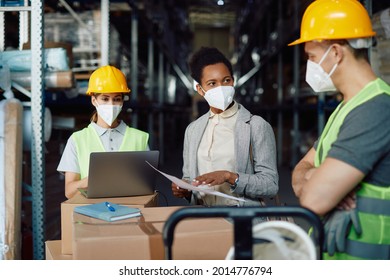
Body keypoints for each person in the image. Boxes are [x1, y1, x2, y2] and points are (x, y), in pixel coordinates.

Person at [289, 0, 390, 260]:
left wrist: (317, 183)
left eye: (311, 57)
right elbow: (300, 170)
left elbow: (314, 200)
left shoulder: (376, 109)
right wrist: (314, 177)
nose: (309, 67)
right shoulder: (346, 107)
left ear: (335, 52)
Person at [171, 47, 279, 207]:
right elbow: (189, 178)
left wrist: (229, 176)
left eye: (226, 80)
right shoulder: (193, 130)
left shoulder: (256, 126)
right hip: (202, 216)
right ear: (200, 89)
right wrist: (184, 189)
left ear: (233, 81)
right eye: (212, 83)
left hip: (240, 218)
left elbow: (270, 185)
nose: (221, 88)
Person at [57, 65, 149, 199]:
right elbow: (69, 192)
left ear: (122, 101)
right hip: (91, 215)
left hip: (132, 213)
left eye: (117, 99)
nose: (111, 104)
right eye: (105, 99)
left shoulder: (139, 139)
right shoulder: (77, 140)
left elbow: (147, 187)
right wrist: (92, 180)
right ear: (94, 100)